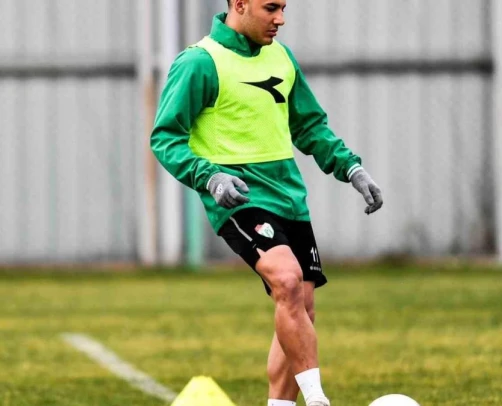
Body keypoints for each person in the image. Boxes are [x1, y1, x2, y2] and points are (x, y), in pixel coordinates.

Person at [150, 1, 383, 405]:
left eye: (283, 8)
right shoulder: (200, 62)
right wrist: (210, 176)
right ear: (240, 4)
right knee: (287, 280)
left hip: (290, 199)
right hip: (239, 199)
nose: (281, 19)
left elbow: (309, 126)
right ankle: (317, 398)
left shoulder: (282, 58)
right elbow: (165, 137)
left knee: (301, 307)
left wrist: (351, 168)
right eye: (271, 8)